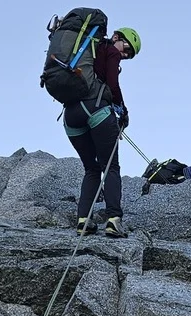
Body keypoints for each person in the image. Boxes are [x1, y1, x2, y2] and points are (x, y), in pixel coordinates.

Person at [63, 27, 141, 237]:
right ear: (117, 37)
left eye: (128, 56)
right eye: (127, 48)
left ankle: (83, 221)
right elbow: (113, 85)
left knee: (91, 168)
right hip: (96, 109)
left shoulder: (88, 50)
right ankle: (114, 220)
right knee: (110, 167)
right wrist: (122, 109)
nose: (124, 55)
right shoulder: (110, 50)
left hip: (71, 116)